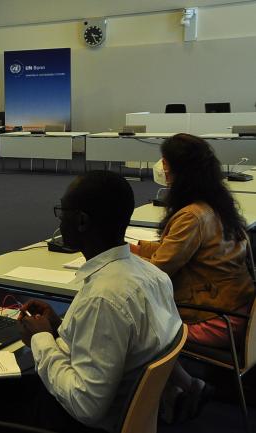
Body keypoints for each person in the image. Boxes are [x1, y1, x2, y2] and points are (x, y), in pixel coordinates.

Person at [0, 171, 182, 433]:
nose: (60, 221)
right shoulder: (152, 274)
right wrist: (58, 325)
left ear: (82, 221)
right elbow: (116, 342)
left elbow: (86, 406)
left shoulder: (103, 298)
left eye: (62, 212)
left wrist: (42, 340)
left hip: (82, 421)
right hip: (124, 408)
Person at [130, 133, 255, 420]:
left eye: (165, 162)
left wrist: (124, 258)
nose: (161, 167)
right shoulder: (215, 205)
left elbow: (158, 271)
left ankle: (187, 387)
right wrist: (135, 247)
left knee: (137, 331)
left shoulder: (192, 216)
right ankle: (176, 391)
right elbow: (173, 248)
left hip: (216, 318)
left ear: (178, 170)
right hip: (239, 310)